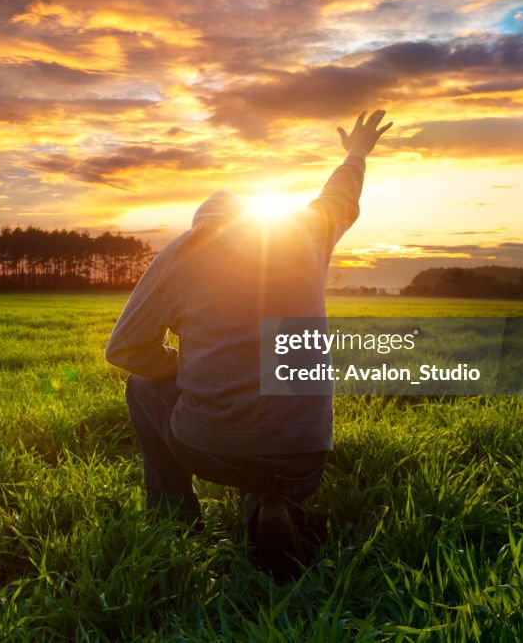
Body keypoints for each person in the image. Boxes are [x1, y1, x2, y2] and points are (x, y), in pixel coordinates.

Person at [105, 110, 392, 575]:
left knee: (142, 387)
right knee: (266, 447)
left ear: (201, 222)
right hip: (306, 455)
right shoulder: (305, 232)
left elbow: (124, 351)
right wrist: (356, 153)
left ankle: (173, 518)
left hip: (214, 449)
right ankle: (271, 509)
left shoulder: (183, 250)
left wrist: (186, 366)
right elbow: (339, 197)